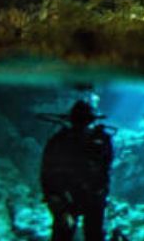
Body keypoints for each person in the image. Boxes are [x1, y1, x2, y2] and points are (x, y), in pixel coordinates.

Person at [40, 100, 113, 241]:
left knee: (66, 233)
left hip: (73, 197)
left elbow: (47, 171)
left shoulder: (59, 139)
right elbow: (106, 167)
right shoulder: (100, 140)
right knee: (91, 234)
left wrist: (53, 197)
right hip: (80, 197)